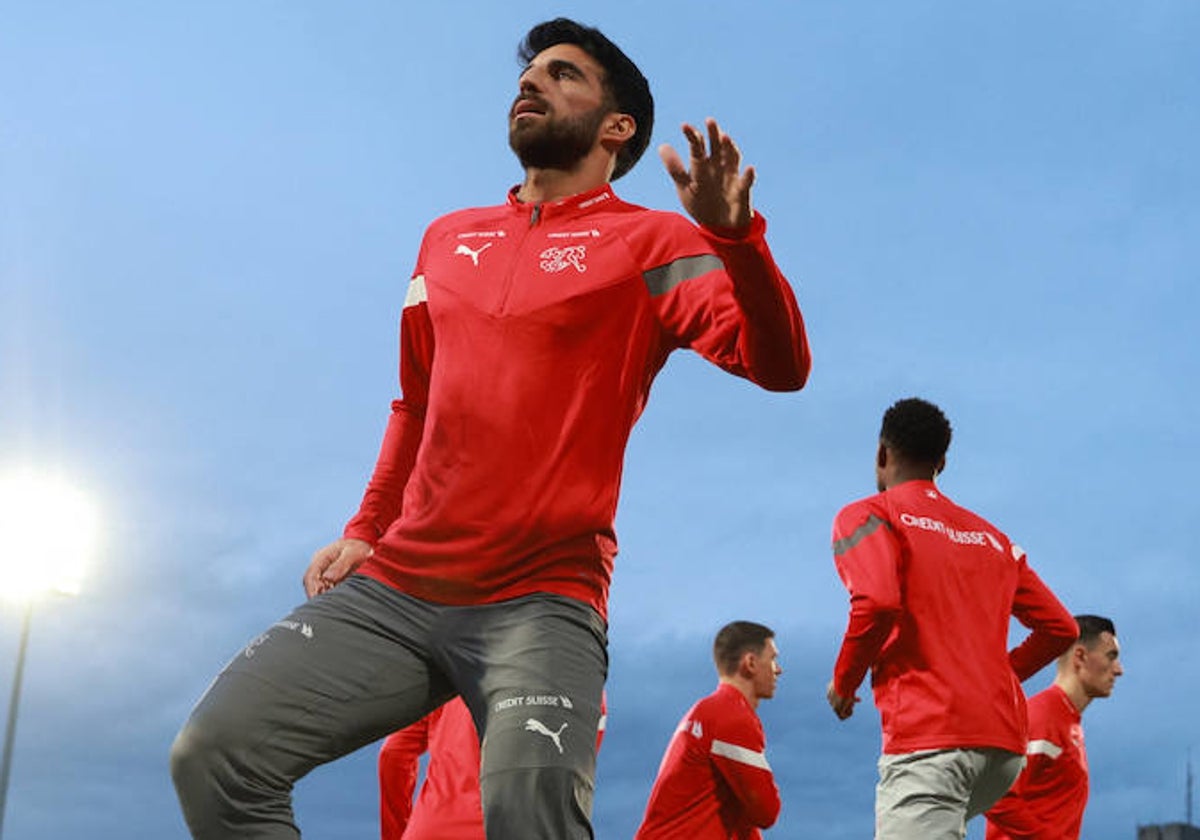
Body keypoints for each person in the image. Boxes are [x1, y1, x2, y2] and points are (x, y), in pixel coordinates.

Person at [170, 16, 811, 840]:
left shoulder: (652, 242)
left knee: (523, 816)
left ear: (617, 128)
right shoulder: (447, 239)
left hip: (542, 602)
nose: (532, 82)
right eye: (529, 72)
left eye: (564, 74)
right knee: (216, 754)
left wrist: (737, 241)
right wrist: (367, 528)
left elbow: (781, 366)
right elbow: (415, 404)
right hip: (398, 590)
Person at [825, 397, 1078, 840]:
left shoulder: (869, 514)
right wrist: (997, 675)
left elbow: (878, 602)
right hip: (1002, 750)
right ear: (942, 462)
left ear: (882, 454)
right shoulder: (993, 539)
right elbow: (1061, 628)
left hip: (932, 741)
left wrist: (844, 683)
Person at [380, 694, 607, 840]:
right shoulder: (582, 685)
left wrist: (399, 834)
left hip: (433, 829)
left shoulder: (449, 671)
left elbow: (393, 754)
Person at [634, 621, 783, 839]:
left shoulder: (707, 711)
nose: (778, 669)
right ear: (750, 663)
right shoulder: (733, 717)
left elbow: (744, 820)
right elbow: (767, 811)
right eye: (772, 659)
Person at [984, 615, 1123, 840]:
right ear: (1080, 656)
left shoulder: (1068, 721)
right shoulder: (1040, 716)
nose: (1119, 670)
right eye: (1111, 656)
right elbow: (996, 796)